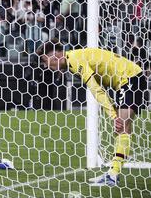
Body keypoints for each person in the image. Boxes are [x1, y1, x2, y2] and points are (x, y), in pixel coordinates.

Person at [36, 40, 148, 186]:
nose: (46, 66)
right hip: (127, 80)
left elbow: (96, 89)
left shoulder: (76, 60)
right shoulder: (73, 60)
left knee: (122, 128)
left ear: (56, 54)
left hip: (129, 78)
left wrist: (114, 116)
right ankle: (113, 173)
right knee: (123, 129)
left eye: (45, 60)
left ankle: (113, 175)